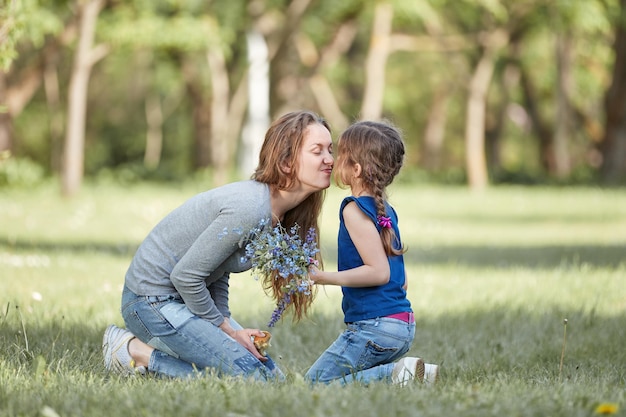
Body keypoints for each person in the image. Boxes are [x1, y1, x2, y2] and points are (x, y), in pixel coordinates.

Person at [102, 110, 334, 380]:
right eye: (317, 151)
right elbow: (186, 277)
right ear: (286, 163)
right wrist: (228, 331)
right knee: (254, 379)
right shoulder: (250, 208)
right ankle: (136, 353)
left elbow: (217, 269)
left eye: (330, 149)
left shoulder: (280, 214)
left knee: (274, 379)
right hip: (151, 303)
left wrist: (226, 325)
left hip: (184, 301)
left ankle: (153, 354)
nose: (329, 159)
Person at [305, 120, 438, 386]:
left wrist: (320, 276)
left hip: (375, 329)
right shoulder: (385, 211)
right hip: (402, 325)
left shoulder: (353, 209)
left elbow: (379, 272)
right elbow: (401, 279)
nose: (333, 160)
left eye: (341, 155)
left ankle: (397, 374)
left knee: (314, 384)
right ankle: (409, 373)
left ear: (356, 169)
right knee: (349, 380)